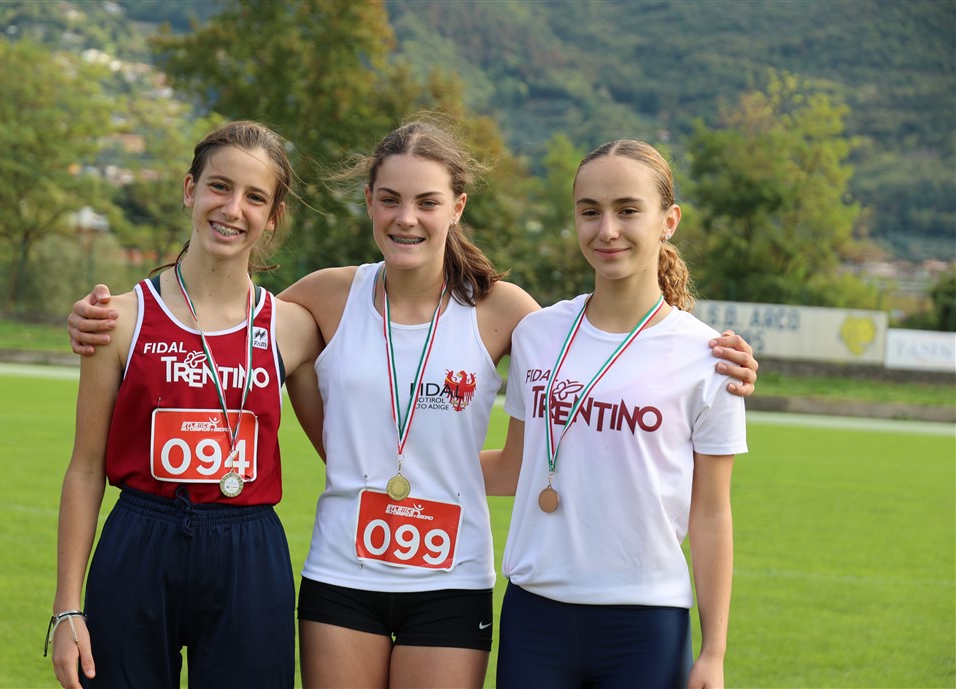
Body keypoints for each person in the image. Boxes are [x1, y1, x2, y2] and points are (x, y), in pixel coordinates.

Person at [67, 118, 759, 689]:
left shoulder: (510, 314)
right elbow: (223, 323)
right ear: (369, 202)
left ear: (457, 208)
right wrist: (110, 317)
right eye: (390, 199)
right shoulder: (322, 297)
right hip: (341, 570)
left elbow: (601, 355)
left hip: (453, 579)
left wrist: (713, 356)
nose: (407, 218)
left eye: (427, 201)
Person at [48, 121, 321, 689]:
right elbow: (85, 467)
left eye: (255, 197)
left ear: (273, 216)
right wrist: (67, 606)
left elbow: (344, 448)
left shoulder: (294, 328)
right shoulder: (118, 319)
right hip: (139, 540)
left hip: (249, 549)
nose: (233, 209)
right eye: (219, 186)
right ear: (190, 189)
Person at [484, 139, 746, 689]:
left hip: (646, 624)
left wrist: (714, 652)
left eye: (628, 210)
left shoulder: (711, 359)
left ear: (669, 221)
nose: (607, 230)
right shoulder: (537, 334)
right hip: (534, 614)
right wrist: (401, 463)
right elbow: (514, 466)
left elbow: (711, 513)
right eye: (590, 212)